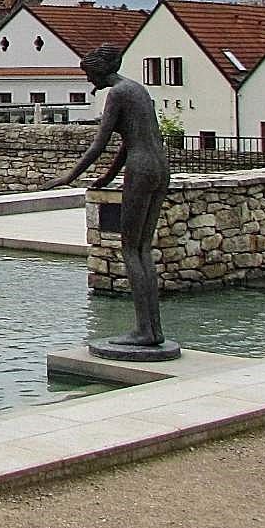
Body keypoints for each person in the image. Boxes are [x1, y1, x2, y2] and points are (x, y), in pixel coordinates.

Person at [48, 43, 172, 351]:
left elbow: (99, 144)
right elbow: (130, 140)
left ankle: (144, 331)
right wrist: (107, 178)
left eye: (89, 75)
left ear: (100, 71)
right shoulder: (138, 90)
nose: (89, 82)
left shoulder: (117, 94)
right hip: (159, 166)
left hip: (141, 170)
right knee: (143, 250)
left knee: (131, 249)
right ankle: (153, 330)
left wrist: (69, 176)